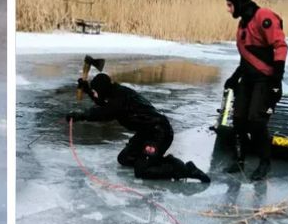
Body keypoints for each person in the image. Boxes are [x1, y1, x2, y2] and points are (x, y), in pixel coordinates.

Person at [66, 73, 210, 183]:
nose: (96, 94)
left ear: (103, 89)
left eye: (97, 91)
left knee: (142, 171)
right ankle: (154, 159)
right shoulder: (115, 92)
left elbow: (105, 112)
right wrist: (88, 90)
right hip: (146, 132)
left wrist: (81, 116)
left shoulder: (118, 98)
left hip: (159, 133)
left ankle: (184, 169)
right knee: (125, 158)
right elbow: (105, 104)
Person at [223, 0, 288, 181]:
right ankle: (240, 159)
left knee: (256, 121)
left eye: (229, 4)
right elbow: (247, 58)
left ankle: (264, 163)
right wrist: (234, 79)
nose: (228, 9)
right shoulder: (242, 24)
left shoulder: (263, 16)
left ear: (239, 3)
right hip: (248, 79)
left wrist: (276, 81)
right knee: (240, 118)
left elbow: (280, 46)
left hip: (265, 80)